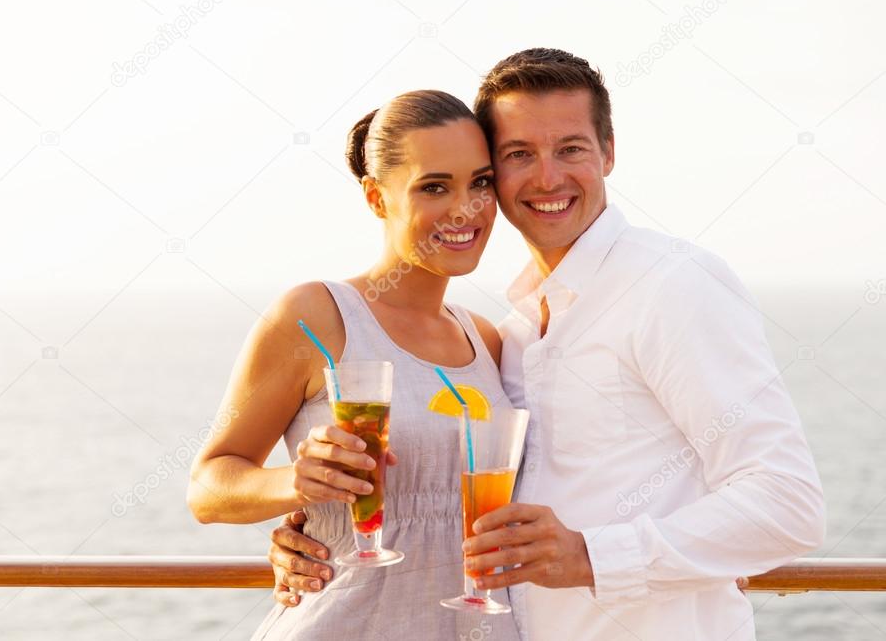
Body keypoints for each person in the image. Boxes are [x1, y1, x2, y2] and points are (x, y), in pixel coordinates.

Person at [269, 48, 826, 640]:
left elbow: (787, 502)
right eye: (518, 155)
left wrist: (589, 557)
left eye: (571, 149)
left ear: (608, 153)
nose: (547, 177)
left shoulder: (673, 285)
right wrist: (315, 530)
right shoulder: (509, 334)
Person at [186, 90, 522, 639]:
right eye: (434, 186)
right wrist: (297, 484)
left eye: (481, 183)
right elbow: (208, 488)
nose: (467, 208)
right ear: (376, 197)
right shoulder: (316, 316)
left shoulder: (487, 339)